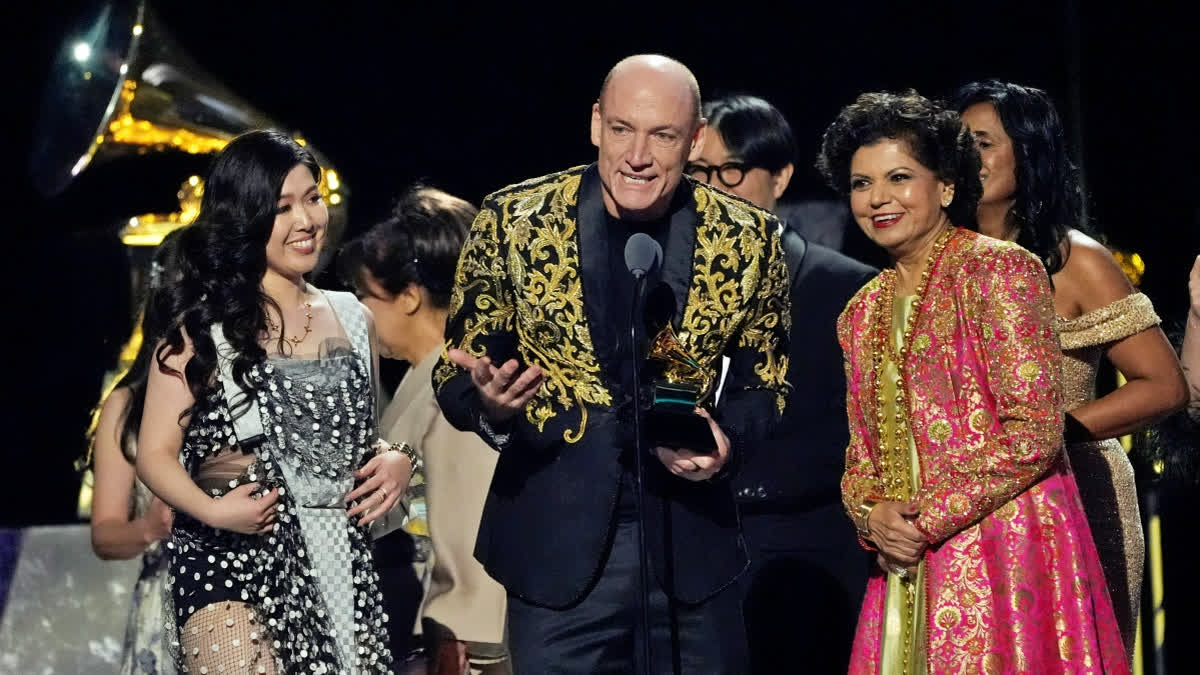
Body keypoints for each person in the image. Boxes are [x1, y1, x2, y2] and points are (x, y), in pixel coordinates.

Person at [434, 54, 791, 673]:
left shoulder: (749, 237)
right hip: (556, 547)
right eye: (622, 128)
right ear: (596, 123)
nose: (638, 155)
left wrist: (725, 444)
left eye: (663, 135)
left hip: (692, 552)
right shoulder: (512, 221)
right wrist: (488, 402)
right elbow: (455, 370)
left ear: (697, 139)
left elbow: (769, 383)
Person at [819, 90, 1127, 673]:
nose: (878, 199)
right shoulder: (859, 313)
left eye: (899, 177)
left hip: (1007, 552)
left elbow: (1034, 432)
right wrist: (871, 515)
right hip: (905, 565)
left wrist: (921, 520)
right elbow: (860, 457)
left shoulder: (1000, 270)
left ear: (946, 187)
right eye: (861, 184)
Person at [135, 130, 408, 674]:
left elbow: (351, 436)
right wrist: (213, 510)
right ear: (246, 218)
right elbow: (154, 453)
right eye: (282, 207)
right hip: (230, 563)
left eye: (312, 198)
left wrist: (397, 460)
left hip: (339, 557)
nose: (306, 220)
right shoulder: (199, 329)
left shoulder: (355, 316)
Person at [955, 80, 1188, 656]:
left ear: (1029, 153)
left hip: (1075, 494)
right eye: (956, 143)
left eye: (982, 143)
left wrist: (1038, 441)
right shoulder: (937, 258)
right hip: (963, 503)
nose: (966, 158)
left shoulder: (1075, 259)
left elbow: (1163, 385)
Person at [687, 94, 875, 673]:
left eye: (732, 171)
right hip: (696, 555)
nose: (713, 188)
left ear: (782, 176)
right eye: (697, 173)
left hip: (811, 556)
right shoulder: (663, 287)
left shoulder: (848, 287)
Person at [341, 185, 510, 675]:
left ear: (410, 297)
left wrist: (461, 643)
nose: (357, 314)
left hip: (463, 642)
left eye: (364, 297)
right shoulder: (424, 384)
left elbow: (467, 539)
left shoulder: (457, 390)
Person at [89, 232, 185, 675]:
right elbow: (106, 533)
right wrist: (149, 527)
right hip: (166, 606)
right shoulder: (127, 406)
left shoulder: (250, 386)